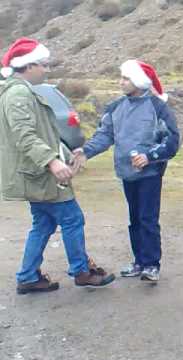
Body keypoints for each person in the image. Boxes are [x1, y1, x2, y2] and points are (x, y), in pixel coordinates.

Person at [0, 38, 115, 294]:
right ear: (27, 66)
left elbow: (40, 133)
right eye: (42, 64)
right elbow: (24, 134)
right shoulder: (18, 93)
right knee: (73, 218)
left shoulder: (20, 90)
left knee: (43, 223)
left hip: (33, 173)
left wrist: (61, 153)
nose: (46, 69)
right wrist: (52, 162)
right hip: (39, 174)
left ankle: (28, 276)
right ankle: (82, 271)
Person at [72, 60, 180, 282]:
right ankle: (139, 262)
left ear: (139, 81)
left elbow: (172, 140)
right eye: (121, 77)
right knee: (134, 219)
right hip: (126, 172)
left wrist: (149, 157)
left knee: (147, 218)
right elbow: (105, 135)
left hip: (150, 174)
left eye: (126, 78)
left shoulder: (158, 107)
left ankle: (151, 265)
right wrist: (86, 151)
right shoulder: (115, 107)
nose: (121, 82)